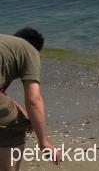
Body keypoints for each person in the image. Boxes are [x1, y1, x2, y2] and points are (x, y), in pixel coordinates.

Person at [0, 28, 61, 170]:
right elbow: (34, 99)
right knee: (14, 125)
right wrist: (44, 142)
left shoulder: (6, 45)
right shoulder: (29, 50)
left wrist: (20, 108)